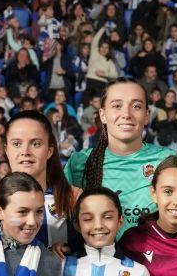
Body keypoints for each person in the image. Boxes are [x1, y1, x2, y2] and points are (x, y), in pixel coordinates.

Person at [65, 79, 170, 231]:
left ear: (147, 115)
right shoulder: (80, 162)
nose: (126, 114)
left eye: (136, 106)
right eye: (116, 106)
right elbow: (59, 218)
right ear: (103, 115)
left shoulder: (166, 160)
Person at [2, 110, 77, 248]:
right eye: (17, 144)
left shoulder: (72, 200)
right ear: (7, 150)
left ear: (49, 151)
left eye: (35, 144)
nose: (25, 152)